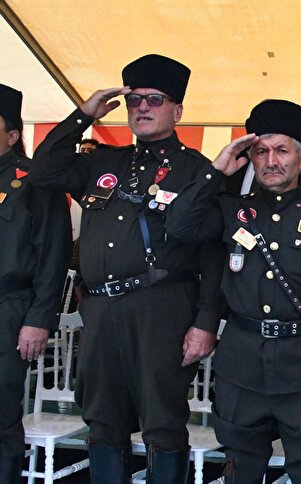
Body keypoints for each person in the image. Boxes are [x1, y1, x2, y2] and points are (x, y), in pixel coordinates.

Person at [29, 54, 226, 482]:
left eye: (155, 99)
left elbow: (213, 257)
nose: (142, 107)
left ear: (177, 111)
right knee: (102, 420)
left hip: (162, 307)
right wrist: (83, 115)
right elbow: (42, 172)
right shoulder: (105, 162)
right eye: (135, 99)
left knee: (162, 421)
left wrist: (206, 322)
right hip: (101, 309)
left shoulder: (198, 170)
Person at [165, 99, 301, 484]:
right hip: (243, 364)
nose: (271, 161)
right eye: (261, 152)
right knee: (240, 468)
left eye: (282, 150)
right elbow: (177, 227)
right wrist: (215, 171)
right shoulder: (231, 210)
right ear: (250, 158)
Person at [0, 84, 71, 483]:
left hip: (9, 310)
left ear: (12, 135)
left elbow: (54, 254)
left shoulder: (33, 182)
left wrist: (40, 318)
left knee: (1, 415)